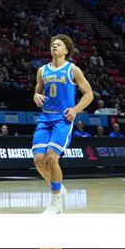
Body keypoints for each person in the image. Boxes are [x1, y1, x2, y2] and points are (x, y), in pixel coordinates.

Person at [31, 34, 94, 214]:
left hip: (63, 118)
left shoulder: (72, 69)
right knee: (38, 160)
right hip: (45, 118)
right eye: (52, 44)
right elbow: (37, 91)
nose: (54, 46)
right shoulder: (42, 70)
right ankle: (58, 187)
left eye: (58, 44)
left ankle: (55, 203)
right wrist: (36, 95)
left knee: (52, 157)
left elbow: (89, 94)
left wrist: (75, 109)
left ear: (66, 50)